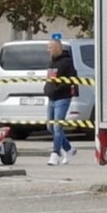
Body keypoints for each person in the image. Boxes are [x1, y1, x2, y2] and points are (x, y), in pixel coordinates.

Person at [44, 34, 76, 166]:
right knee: (50, 126)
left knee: (58, 126)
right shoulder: (51, 62)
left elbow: (72, 79)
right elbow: (50, 78)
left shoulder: (67, 62)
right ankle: (68, 148)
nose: (48, 50)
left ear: (58, 48)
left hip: (62, 97)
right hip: (51, 98)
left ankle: (55, 154)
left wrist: (58, 88)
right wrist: (47, 89)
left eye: (50, 47)